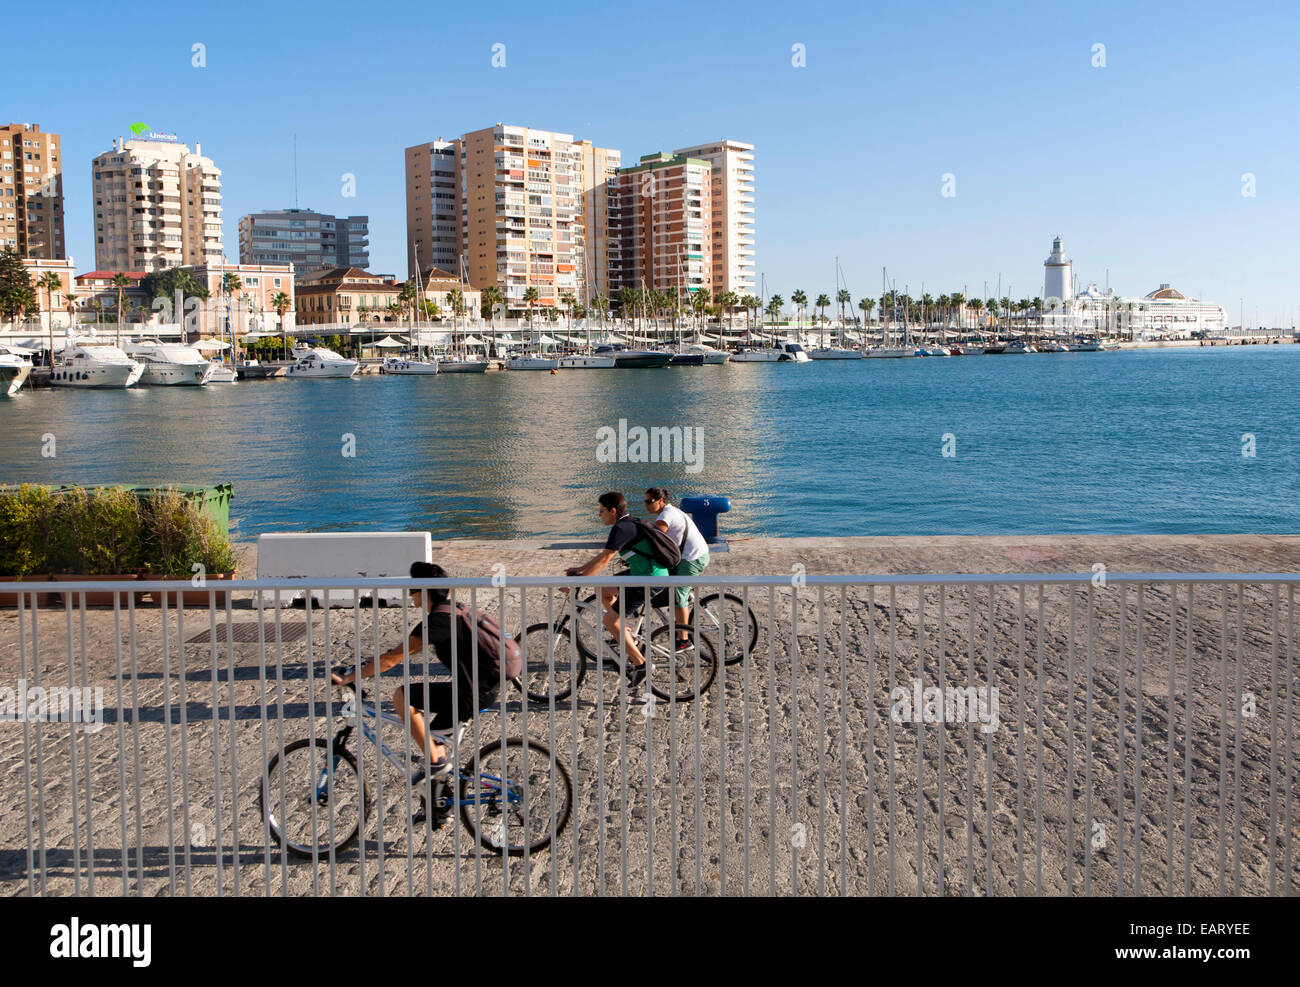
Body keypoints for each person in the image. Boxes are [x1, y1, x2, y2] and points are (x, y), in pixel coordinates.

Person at [330, 561, 500, 826]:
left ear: (425, 590)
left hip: (473, 692)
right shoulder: (451, 610)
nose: (410, 594)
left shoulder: (439, 621)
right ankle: (438, 810)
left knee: (402, 696)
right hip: (479, 688)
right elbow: (392, 654)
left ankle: (434, 763)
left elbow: (393, 659)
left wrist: (350, 678)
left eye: (413, 588)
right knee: (434, 744)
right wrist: (362, 667)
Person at [564, 491, 667, 690]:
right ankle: (625, 631)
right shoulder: (626, 523)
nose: (599, 514)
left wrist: (577, 583)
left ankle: (641, 664)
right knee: (604, 589)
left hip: (648, 579)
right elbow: (603, 555)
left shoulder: (622, 528)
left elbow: (605, 560)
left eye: (601, 511)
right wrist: (580, 570)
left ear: (612, 510)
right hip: (641, 573)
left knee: (609, 620)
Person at [645, 488, 710, 648]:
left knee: (677, 598)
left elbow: (656, 539)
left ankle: (683, 640)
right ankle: (685, 601)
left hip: (692, 559)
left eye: (649, 501)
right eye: (645, 501)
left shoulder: (666, 516)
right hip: (691, 556)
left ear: (661, 501)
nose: (646, 505)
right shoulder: (671, 511)